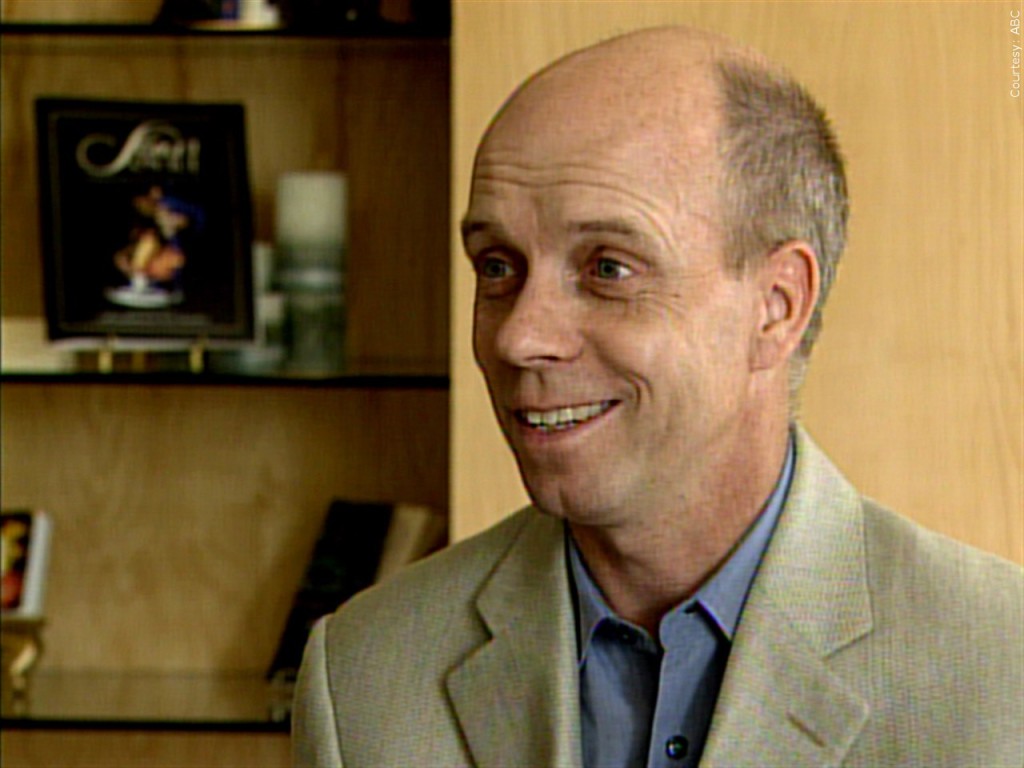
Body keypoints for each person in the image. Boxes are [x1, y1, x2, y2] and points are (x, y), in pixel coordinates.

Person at [293, 26, 1023, 768]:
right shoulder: (363, 675)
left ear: (776, 306)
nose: (519, 337)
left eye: (608, 268)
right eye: (498, 266)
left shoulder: (1003, 672)